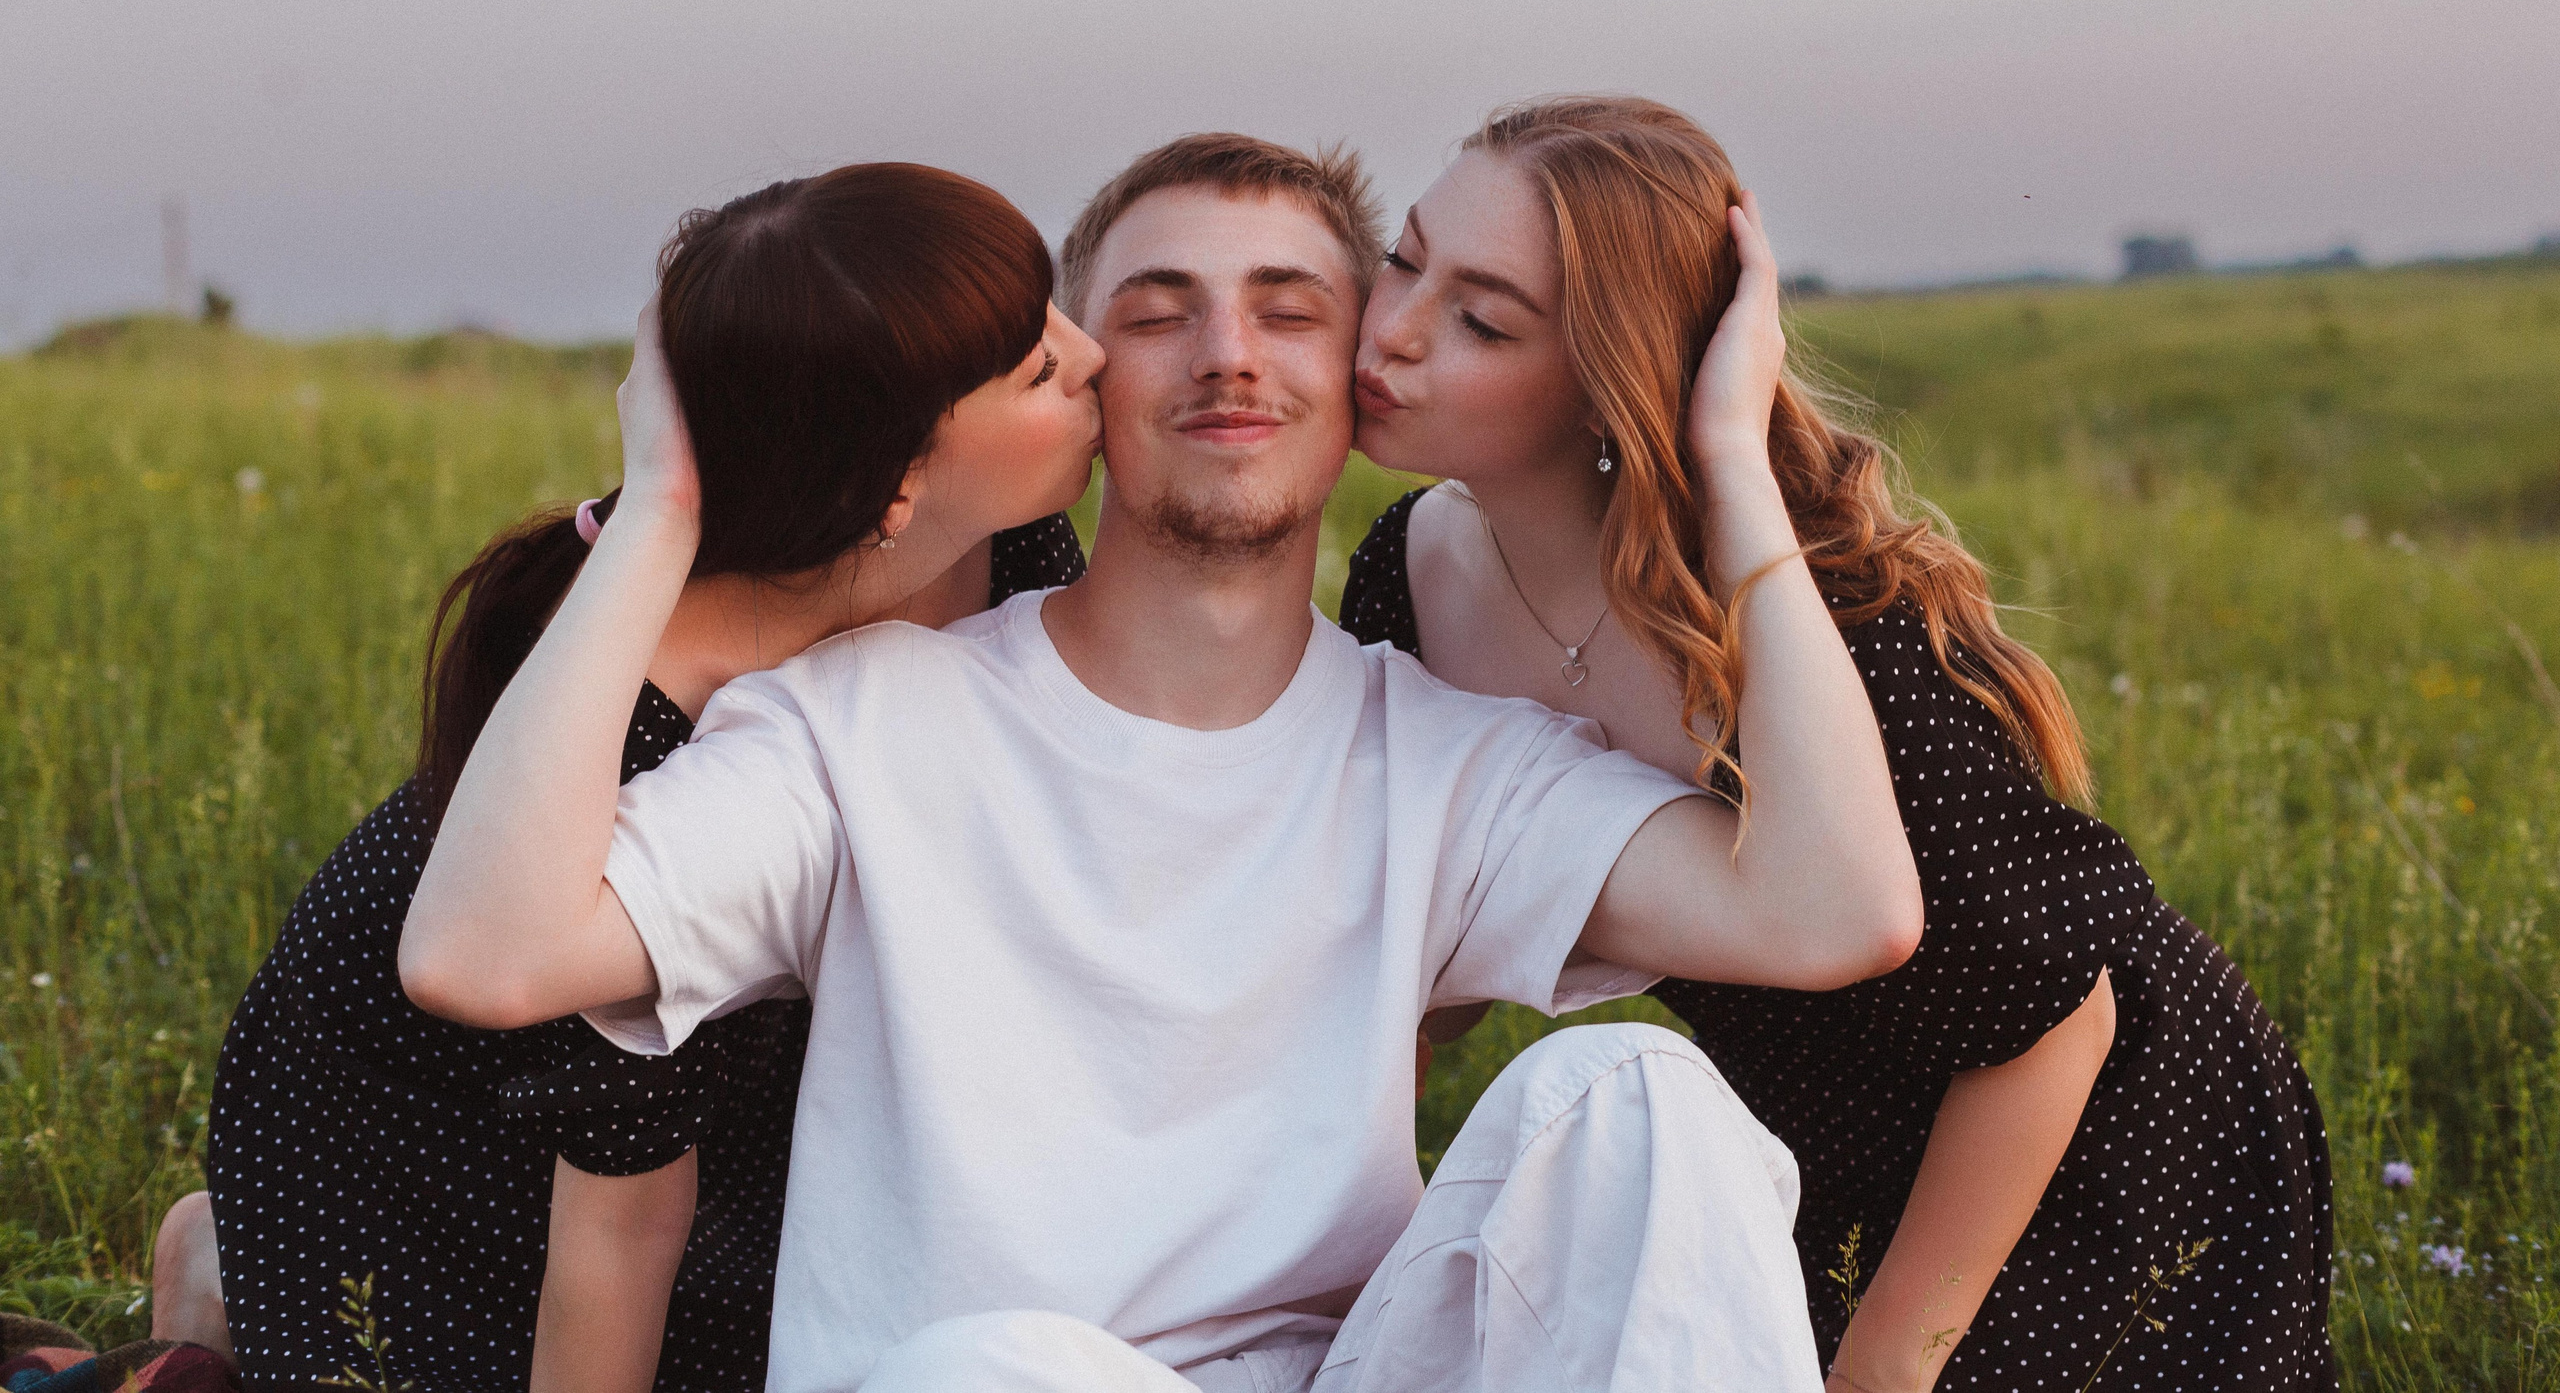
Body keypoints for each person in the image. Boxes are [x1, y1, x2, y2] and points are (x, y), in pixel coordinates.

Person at [401, 132, 1925, 1392]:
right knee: (1007, 1370)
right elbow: (488, 948)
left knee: (1634, 1090)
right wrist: (663, 508)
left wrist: (1729, 465)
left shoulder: (1446, 763)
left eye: (1287, 307)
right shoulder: (864, 726)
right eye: (1156, 309)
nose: (1226, 355)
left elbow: (1833, 910)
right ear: (1077, 379)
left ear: (1364, 379)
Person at [1339, 95, 2337, 1393]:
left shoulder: (1809, 643)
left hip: (2090, 1132)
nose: (1394, 332)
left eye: (1481, 318)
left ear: (1609, 381)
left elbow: (2050, 1015)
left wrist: (1887, 1365)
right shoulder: (1404, 584)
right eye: (1405, 258)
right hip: (1794, 1121)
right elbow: (1437, 947)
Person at [160, 163, 1104, 1392]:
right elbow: (617, 1230)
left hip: (750, 1115)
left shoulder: (1011, 538)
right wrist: (662, 497)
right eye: (1037, 367)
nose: (1088, 354)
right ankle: (227, 1279)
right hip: (446, 1163)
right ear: (894, 482)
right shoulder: (650, 732)